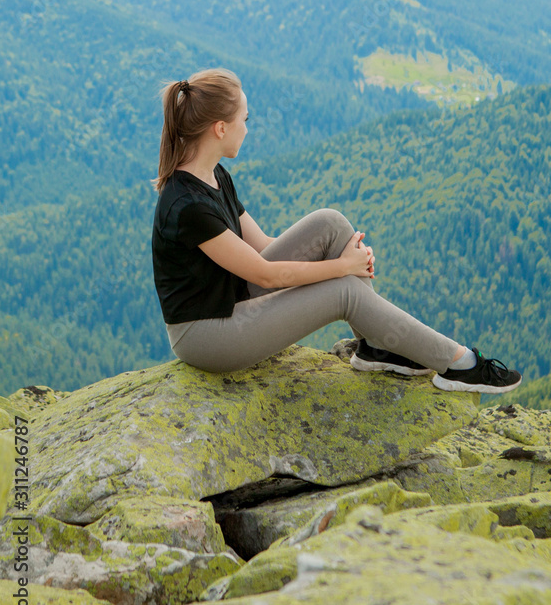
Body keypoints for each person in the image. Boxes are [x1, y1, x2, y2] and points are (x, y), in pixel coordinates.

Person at [150, 67, 522, 395]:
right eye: (244, 120)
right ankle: (459, 362)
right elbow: (265, 274)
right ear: (220, 128)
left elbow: (262, 247)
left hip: (232, 301)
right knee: (345, 291)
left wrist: (344, 257)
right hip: (207, 335)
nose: (247, 127)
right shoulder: (188, 205)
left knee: (331, 224)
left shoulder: (215, 175)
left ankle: (378, 346)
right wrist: (344, 267)